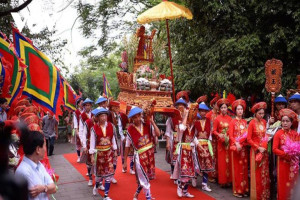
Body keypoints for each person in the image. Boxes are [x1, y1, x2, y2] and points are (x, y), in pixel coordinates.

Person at [123, 106, 160, 200]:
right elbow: (127, 145)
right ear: (132, 119)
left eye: (139, 116)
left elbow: (158, 134)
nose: (137, 119)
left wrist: (152, 122)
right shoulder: (130, 129)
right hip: (139, 157)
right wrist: (124, 161)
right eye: (135, 117)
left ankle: (136, 194)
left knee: (145, 176)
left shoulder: (147, 124)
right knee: (144, 177)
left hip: (149, 155)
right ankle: (148, 197)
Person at [15, 130, 57, 200]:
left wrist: (44, 188)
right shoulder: (24, 172)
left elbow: (54, 188)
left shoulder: (39, 165)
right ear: (38, 149)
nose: (45, 149)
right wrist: (47, 188)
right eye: (44, 146)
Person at [90, 107, 117, 200]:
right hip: (99, 154)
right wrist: (92, 155)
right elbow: (92, 142)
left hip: (109, 153)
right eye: (101, 116)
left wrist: (115, 150)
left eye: (105, 115)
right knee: (99, 176)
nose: (104, 118)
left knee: (109, 174)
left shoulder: (111, 126)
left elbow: (113, 138)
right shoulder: (94, 128)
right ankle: (96, 186)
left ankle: (106, 195)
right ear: (97, 117)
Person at [273, 108, 299, 200]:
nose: (285, 123)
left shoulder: (295, 134)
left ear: (291, 123)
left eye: (287, 121)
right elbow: (274, 149)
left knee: (293, 184)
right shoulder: (278, 134)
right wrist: (285, 154)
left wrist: (295, 153)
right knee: (283, 184)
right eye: (283, 121)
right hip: (283, 164)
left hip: (293, 164)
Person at [247, 102, 270, 200]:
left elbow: (266, 135)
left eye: (263, 113)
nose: (261, 115)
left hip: (263, 152)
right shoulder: (252, 123)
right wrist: (257, 147)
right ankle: (257, 196)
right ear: (255, 113)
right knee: (256, 173)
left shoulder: (264, 122)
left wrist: (264, 146)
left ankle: (264, 195)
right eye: (259, 113)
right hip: (255, 152)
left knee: (264, 173)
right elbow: (248, 139)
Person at [173, 104, 197, 198]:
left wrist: (199, 145)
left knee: (189, 171)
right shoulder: (181, 125)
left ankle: (186, 190)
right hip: (182, 151)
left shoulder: (193, 126)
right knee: (182, 170)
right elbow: (182, 128)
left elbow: (194, 138)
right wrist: (186, 114)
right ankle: (179, 187)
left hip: (190, 151)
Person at [228, 99, 249, 198]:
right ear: (235, 111)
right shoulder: (232, 122)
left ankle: (244, 189)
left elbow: (247, 135)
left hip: (244, 148)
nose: (240, 111)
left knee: (244, 169)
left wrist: (244, 143)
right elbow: (231, 135)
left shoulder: (245, 122)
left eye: (241, 109)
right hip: (236, 148)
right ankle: (237, 190)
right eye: (238, 109)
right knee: (237, 169)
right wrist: (236, 144)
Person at [194, 102, 214, 192]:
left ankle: (204, 184)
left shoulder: (209, 121)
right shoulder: (195, 120)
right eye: (201, 111)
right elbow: (193, 134)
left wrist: (210, 145)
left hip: (206, 145)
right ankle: (194, 177)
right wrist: (195, 143)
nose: (203, 113)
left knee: (207, 165)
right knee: (197, 164)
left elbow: (210, 134)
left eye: (205, 111)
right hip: (197, 144)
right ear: (198, 111)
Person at [165, 98, 186, 181]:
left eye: (182, 106)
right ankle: (173, 172)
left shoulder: (186, 117)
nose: (181, 107)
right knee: (173, 156)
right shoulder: (171, 118)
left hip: (183, 140)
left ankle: (182, 173)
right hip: (174, 139)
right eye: (179, 106)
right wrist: (167, 142)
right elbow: (168, 131)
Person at [212, 98, 232, 187]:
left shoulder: (230, 119)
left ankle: (229, 180)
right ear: (220, 109)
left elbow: (232, 130)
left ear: (227, 108)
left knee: (229, 162)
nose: (224, 109)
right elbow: (214, 131)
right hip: (221, 143)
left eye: (225, 107)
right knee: (222, 162)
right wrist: (219, 135)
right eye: (222, 107)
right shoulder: (217, 119)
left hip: (229, 142)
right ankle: (222, 181)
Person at [82, 108, 98, 187]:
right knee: (89, 163)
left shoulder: (100, 123)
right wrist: (84, 146)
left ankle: (99, 182)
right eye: (97, 116)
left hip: (99, 146)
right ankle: (90, 179)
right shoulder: (87, 122)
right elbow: (84, 134)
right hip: (89, 145)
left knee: (99, 163)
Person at [206, 95, 220, 183]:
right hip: (211, 138)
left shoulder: (219, 114)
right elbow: (207, 127)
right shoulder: (209, 115)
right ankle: (211, 175)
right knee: (211, 156)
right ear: (213, 105)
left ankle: (217, 174)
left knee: (217, 156)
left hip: (218, 138)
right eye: (217, 104)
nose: (219, 106)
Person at [73, 97, 84, 162]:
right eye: (81, 103)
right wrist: (76, 130)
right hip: (79, 129)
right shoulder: (76, 112)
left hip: (85, 129)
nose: (83, 104)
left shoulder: (86, 111)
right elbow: (75, 122)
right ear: (78, 104)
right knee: (78, 144)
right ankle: (79, 156)